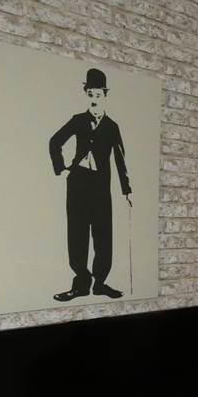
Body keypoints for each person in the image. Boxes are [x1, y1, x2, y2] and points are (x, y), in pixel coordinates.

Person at [48, 68, 132, 301]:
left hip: (101, 186)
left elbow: (120, 159)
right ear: (86, 94)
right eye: (91, 94)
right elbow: (55, 141)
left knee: (103, 234)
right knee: (77, 233)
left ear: (105, 95)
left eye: (98, 94)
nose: (94, 99)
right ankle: (81, 284)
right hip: (78, 183)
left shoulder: (112, 126)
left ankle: (100, 283)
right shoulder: (78, 120)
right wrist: (62, 168)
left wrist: (126, 189)